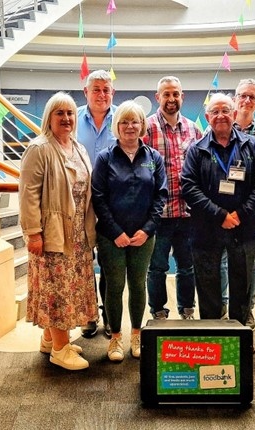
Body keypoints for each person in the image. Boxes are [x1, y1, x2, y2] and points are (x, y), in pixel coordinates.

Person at [19, 92, 97, 370]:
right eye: (59, 113)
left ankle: (50, 339)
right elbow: (28, 194)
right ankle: (61, 350)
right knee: (57, 290)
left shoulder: (78, 148)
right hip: (52, 233)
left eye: (70, 114)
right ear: (49, 118)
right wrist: (33, 233)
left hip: (77, 233)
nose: (66, 119)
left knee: (68, 288)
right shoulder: (39, 149)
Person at [181, 93, 255, 325]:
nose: (221, 115)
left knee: (242, 282)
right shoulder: (196, 150)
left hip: (244, 226)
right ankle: (212, 333)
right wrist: (220, 215)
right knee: (208, 284)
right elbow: (189, 187)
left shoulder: (252, 146)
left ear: (234, 114)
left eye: (225, 111)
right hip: (206, 229)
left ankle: (240, 335)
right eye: (215, 111)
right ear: (208, 117)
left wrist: (240, 214)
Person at [91, 100, 168, 362]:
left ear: (142, 125)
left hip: (143, 236)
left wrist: (147, 230)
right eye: (124, 121)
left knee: (138, 285)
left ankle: (136, 334)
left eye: (135, 121)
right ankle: (115, 338)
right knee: (114, 286)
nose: (130, 126)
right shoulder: (105, 158)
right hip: (112, 237)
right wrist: (115, 232)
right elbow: (98, 198)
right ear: (117, 126)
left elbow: (161, 196)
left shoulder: (154, 158)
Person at [143, 76, 202, 321]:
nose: (171, 99)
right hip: (159, 214)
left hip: (188, 213)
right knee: (157, 267)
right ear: (158, 97)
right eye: (166, 94)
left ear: (182, 97)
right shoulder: (146, 128)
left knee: (187, 267)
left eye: (175, 94)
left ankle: (187, 310)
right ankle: (158, 312)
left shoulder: (193, 129)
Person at [220, 78, 255, 329]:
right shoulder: (220, 128)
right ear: (235, 99)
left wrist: (243, 210)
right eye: (242, 96)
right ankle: (222, 308)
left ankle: (246, 310)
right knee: (222, 262)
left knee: (250, 264)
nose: (247, 100)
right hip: (221, 211)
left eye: (252, 97)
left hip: (249, 211)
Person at [76, 69, 117, 339]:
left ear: (112, 93)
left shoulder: (123, 119)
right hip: (79, 205)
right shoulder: (72, 118)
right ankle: (88, 316)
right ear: (86, 92)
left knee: (111, 264)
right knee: (83, 262)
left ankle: (110, 317)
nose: (101, 94)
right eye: (96, 89)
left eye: (106, 89)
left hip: (114, 205)